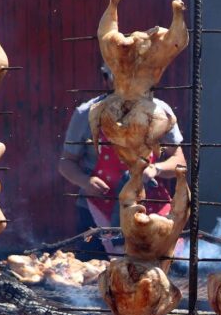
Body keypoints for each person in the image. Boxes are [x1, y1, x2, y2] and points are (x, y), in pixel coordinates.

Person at [58, 66, 186, 253]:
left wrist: (155, 169)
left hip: (148, 207)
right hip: (98, 207)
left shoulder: (160, 111)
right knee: (97, 276)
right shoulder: (86, 113)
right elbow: (66, 162)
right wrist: (85, 181)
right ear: (106, 80)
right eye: (120, 79)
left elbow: (179, 159)